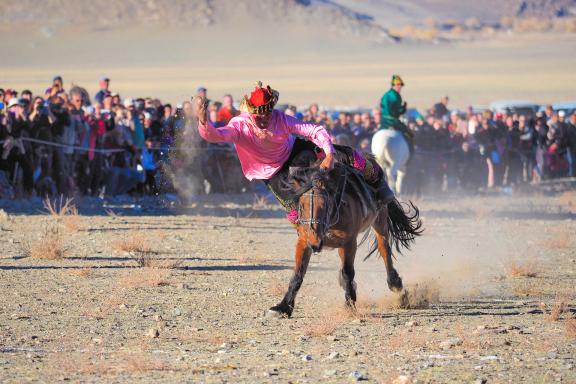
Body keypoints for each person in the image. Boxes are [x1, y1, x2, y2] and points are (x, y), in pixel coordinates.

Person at [195, 81, 394, 224]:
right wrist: (204, 122)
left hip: (293, 151)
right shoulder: (240, 126)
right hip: (270, 171)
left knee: (346, 153)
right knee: (294, 209)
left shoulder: (281, 119)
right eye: (259, 117)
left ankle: (378, 182)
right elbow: (215, 136)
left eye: (267, 115)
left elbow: (313, 130)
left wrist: (330, 153)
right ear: (251, 112)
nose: (264, 120)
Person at [380, 75, 413, 153]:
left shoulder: (386, 94)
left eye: (400, 85)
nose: (399, 87)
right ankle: (410, 155)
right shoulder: (396, 96)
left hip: (383, 122)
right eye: (398, 85)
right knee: (409, 134)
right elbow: (398, 111)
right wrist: (403, 108)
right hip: (393, 121)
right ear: (393, 85)